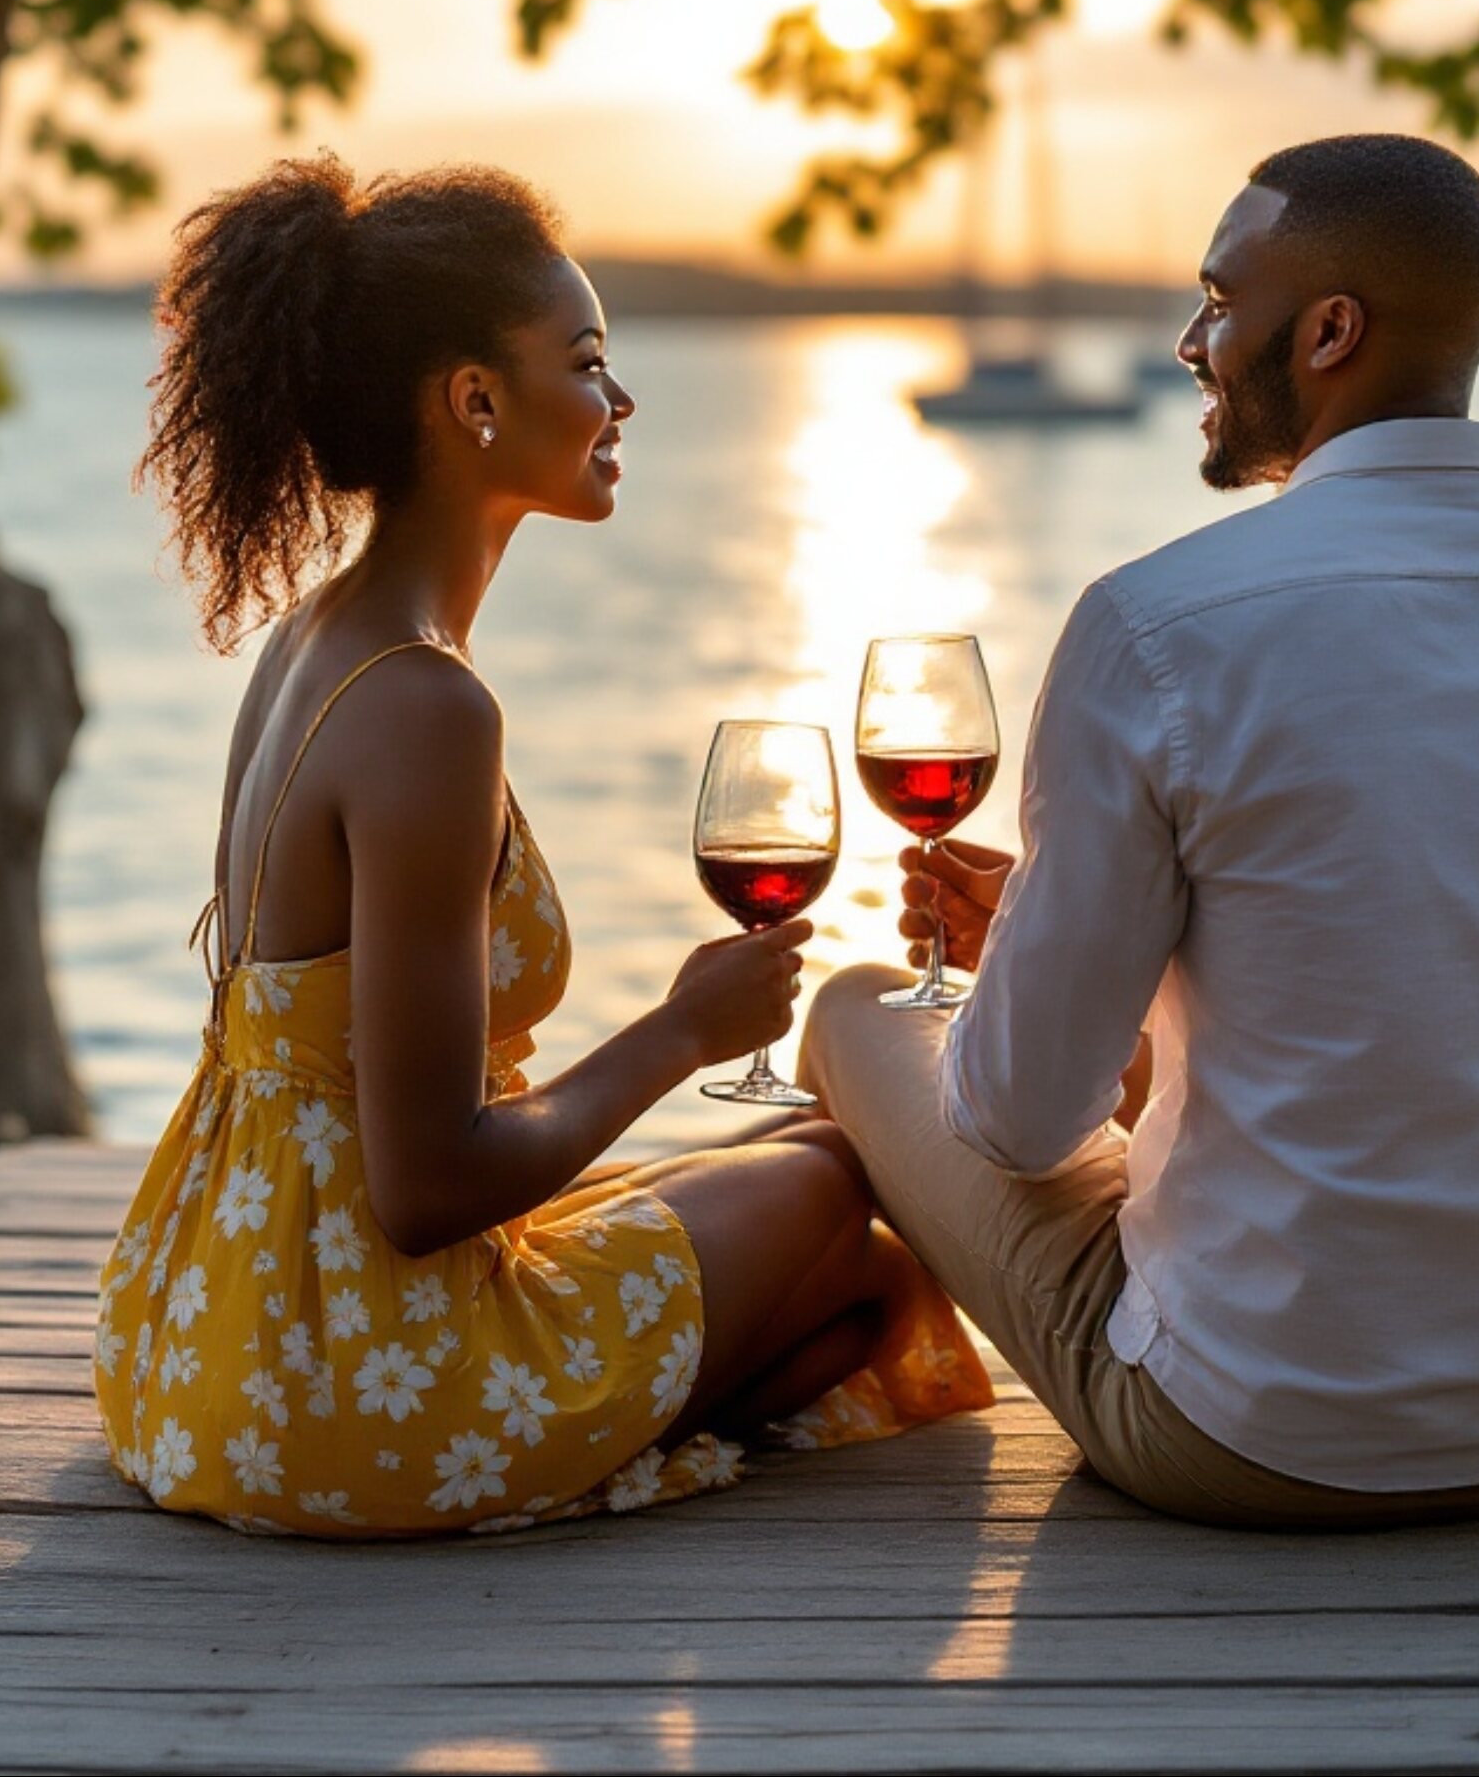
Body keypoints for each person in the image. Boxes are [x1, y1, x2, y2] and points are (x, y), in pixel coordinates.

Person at [800, 133, 1479, 1529]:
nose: (1194, 341)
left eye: (1215, 299)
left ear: (1328, 333)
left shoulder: (1158, 627)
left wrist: (1038, 952)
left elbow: (1017, 1124)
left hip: (1252, 1433)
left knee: (857, 1010)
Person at [95, 153, 988, 1538]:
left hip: (204, 1324)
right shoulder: (426, 706)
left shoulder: (321, 638)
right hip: (345, 1380)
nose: (620, 402)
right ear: (473, 402)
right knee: (837, 1194)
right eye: (588, 363)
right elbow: (426, 1188)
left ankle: (640, 1412)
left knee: (819, 1163)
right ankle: (596, 1438)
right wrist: (683, 1033)